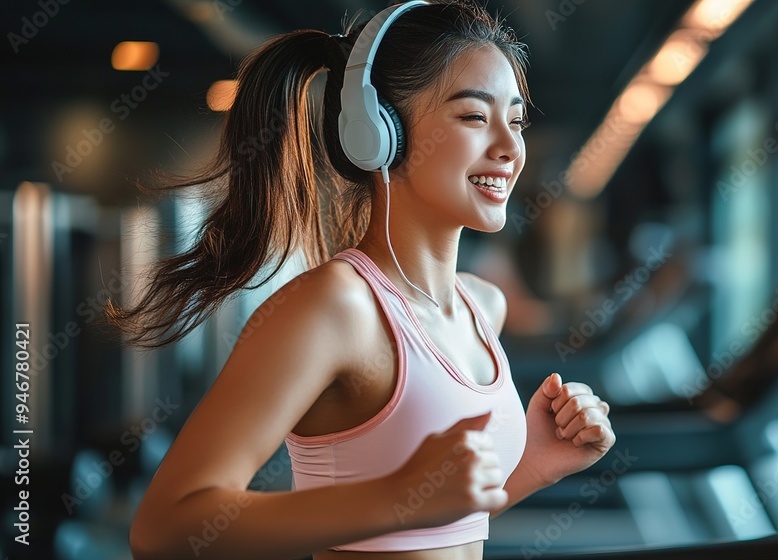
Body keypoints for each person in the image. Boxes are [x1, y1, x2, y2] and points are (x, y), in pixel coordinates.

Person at [108, 1, 615, 559]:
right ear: (380, 132)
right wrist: (400, 497)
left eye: (515, 121)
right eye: (474, 116)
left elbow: (434, 524)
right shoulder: (334, 307)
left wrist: (538, 464)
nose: (508, 146)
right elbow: (161, 530)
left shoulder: (481, 306)